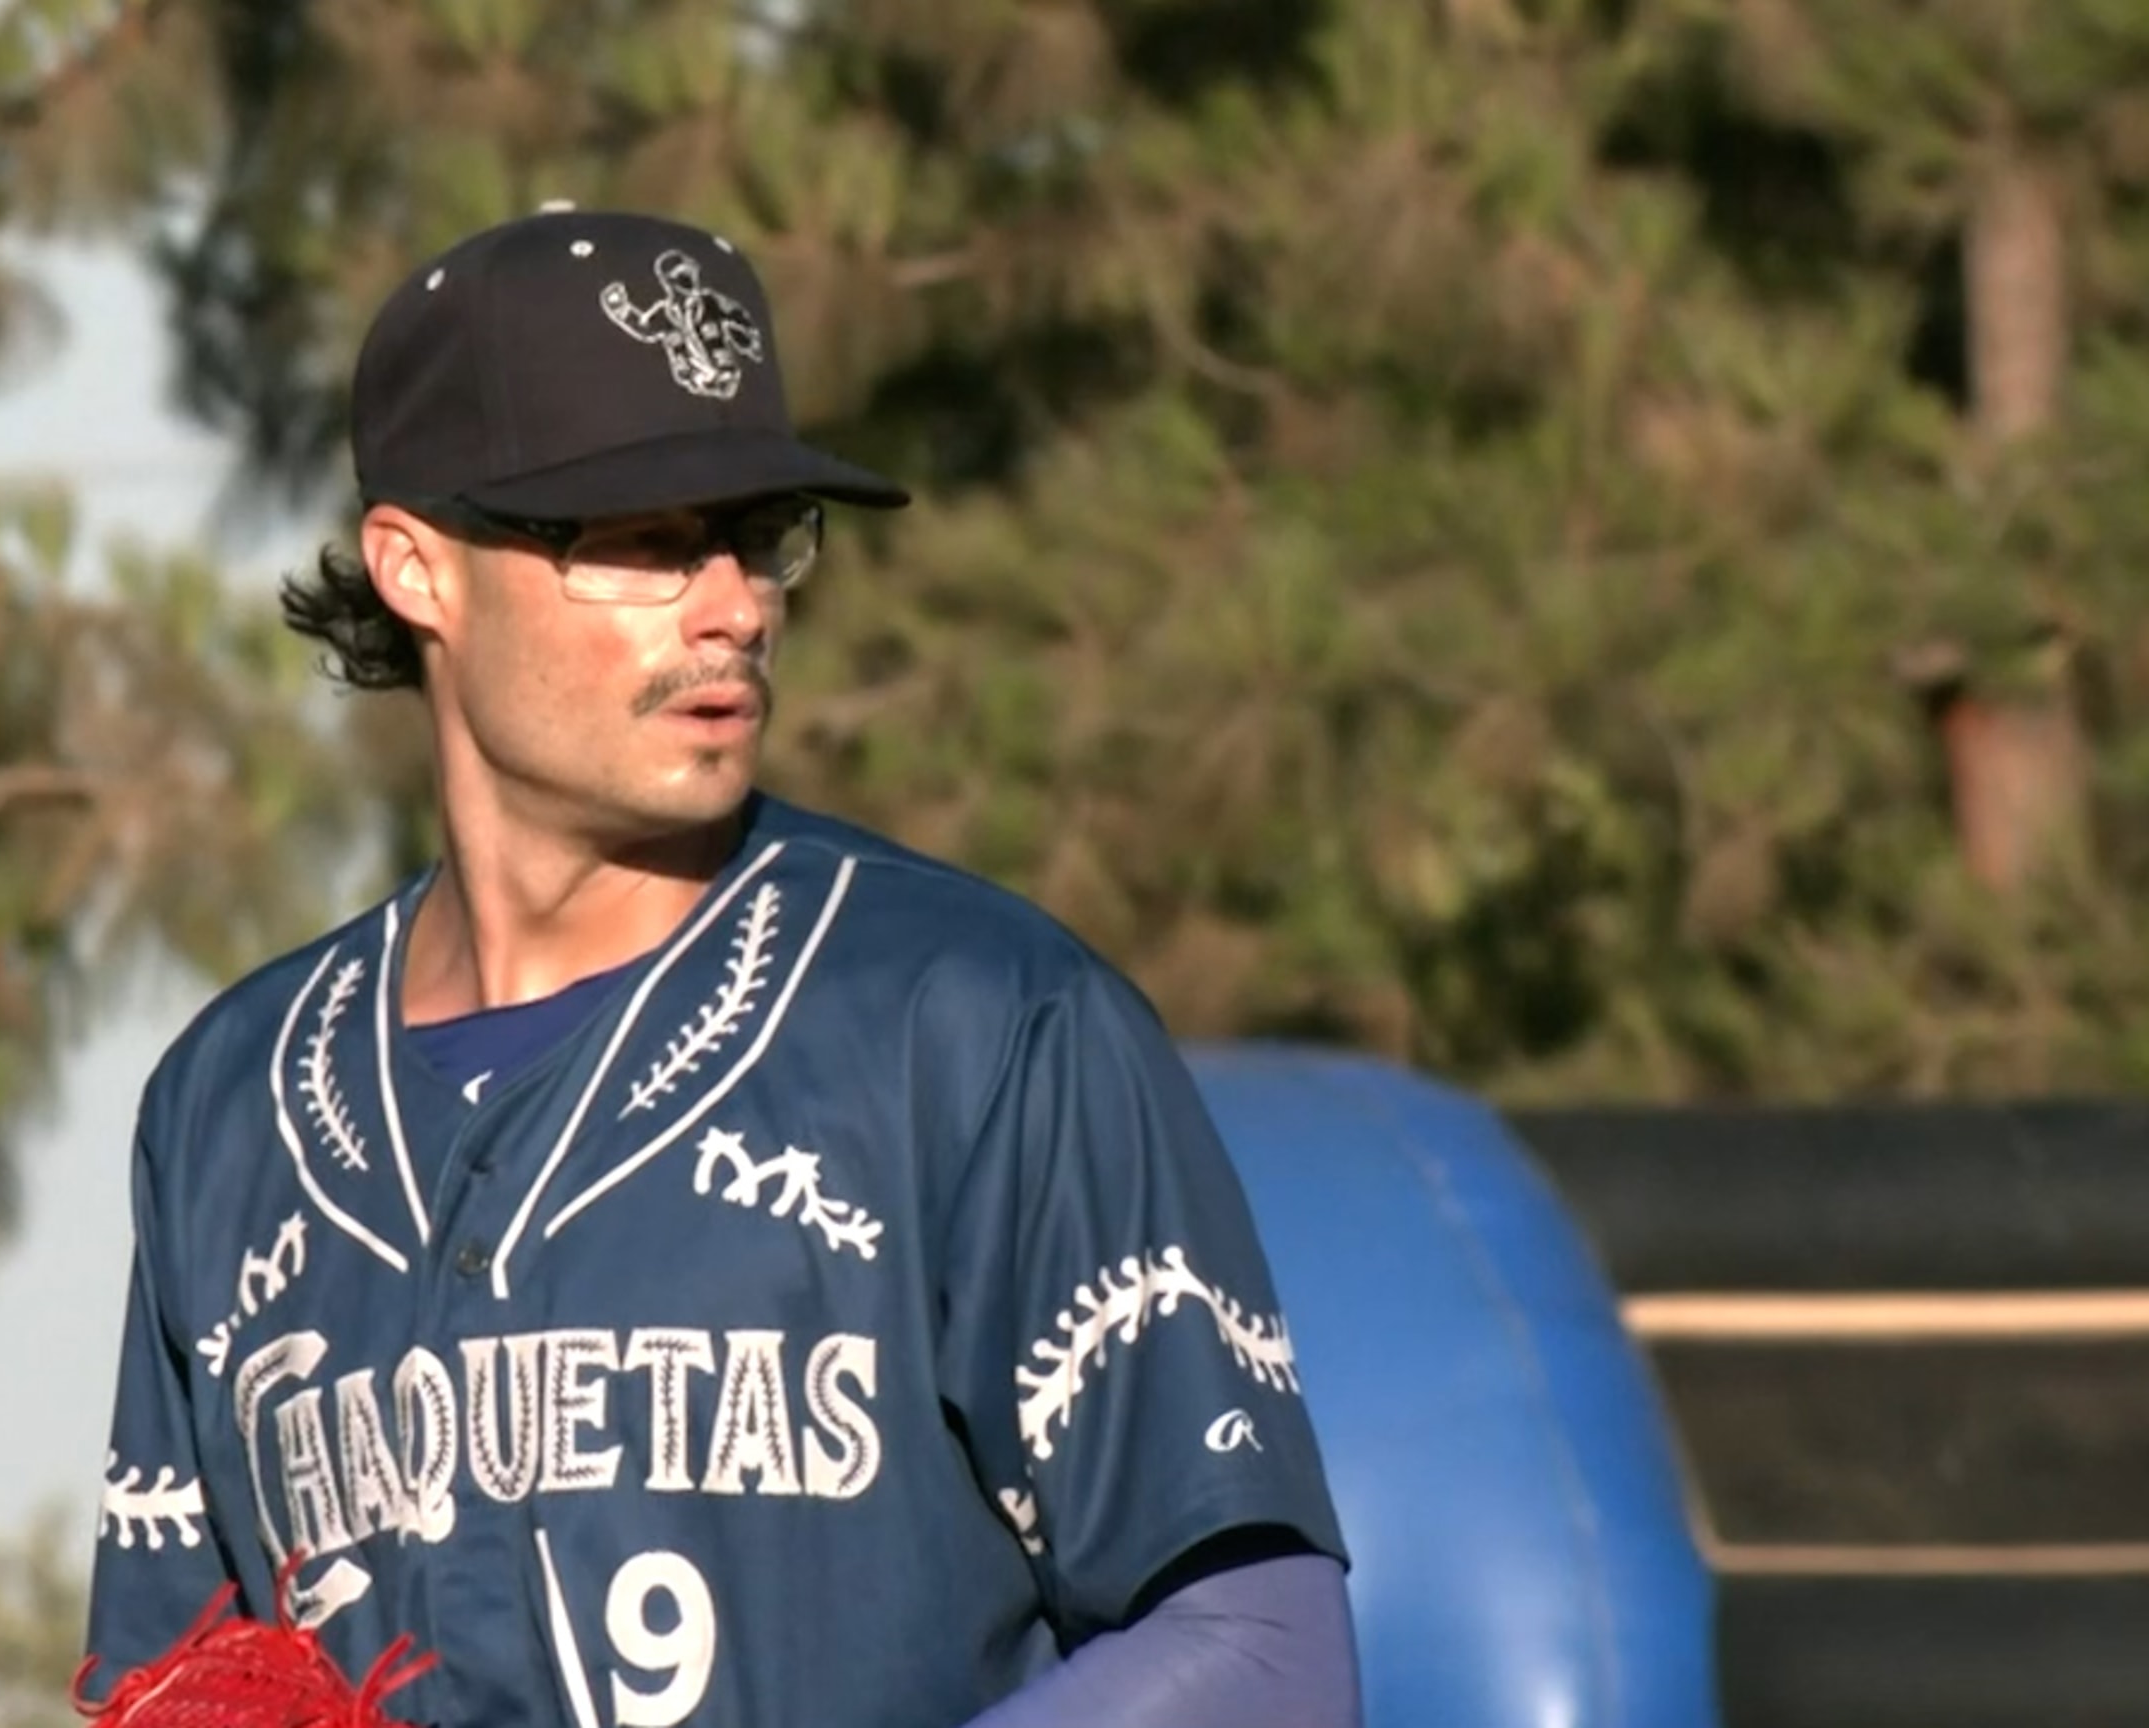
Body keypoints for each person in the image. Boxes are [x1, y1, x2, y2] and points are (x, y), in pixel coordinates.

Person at [76, 205, 1362, 1728]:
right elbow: (165, 1691)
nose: (734, 604)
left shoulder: (977, 1021)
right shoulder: (228, 1106)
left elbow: (1265, 1656)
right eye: (644, 543)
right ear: (418, 569)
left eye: (754, 536)